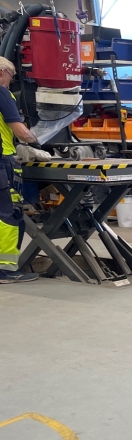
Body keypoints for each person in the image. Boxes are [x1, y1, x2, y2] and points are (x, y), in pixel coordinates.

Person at [0, 56, 39, 284]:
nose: (11, 82)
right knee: (9, 215)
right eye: (11, 77)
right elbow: (21, 131)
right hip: (2, 163)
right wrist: (37, 144)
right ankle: (5, 270)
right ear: (2, 73)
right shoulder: (2, 93)